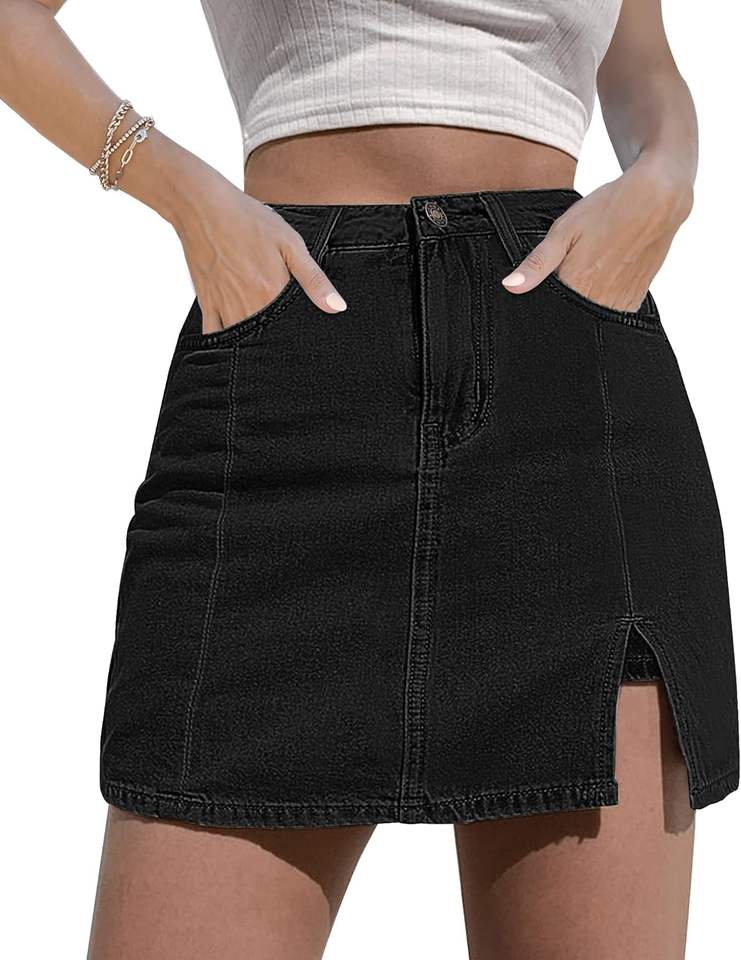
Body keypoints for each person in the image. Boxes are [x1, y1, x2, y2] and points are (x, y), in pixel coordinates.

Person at [1, 1, 737, 957]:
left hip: (571, 376)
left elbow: (642, 59)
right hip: (291, 360)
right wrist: (184, 195)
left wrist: (666, 176)